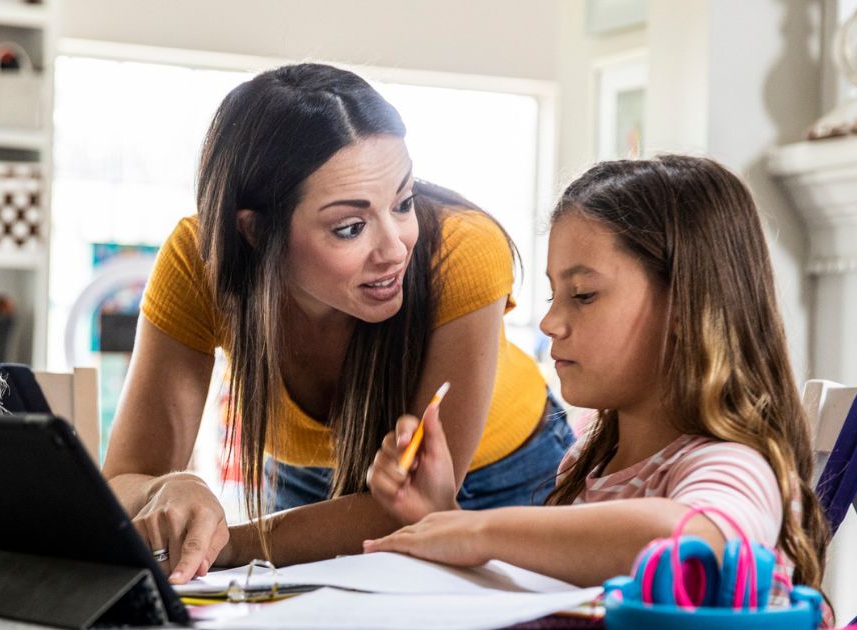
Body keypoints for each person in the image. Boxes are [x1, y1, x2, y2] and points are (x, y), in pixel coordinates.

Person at [102, 62, 572, 584]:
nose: (395, 249)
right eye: (349, 227)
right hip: (303, 495)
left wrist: (230, 541)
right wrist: (165, 487)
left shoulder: (464, 248)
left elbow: (409, 501)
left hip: (502, 483)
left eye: (404, 202)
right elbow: (123, 479)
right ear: (255, 233)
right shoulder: (200, 261)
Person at [364, 155, 830, 593]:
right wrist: (442, 512)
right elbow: (551, 595)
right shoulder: (590, 464)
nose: (550, 324)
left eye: (583, 294)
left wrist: (481, 529)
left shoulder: (732, 464)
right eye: (553, 296)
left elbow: (695, 542)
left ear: (688, 306)